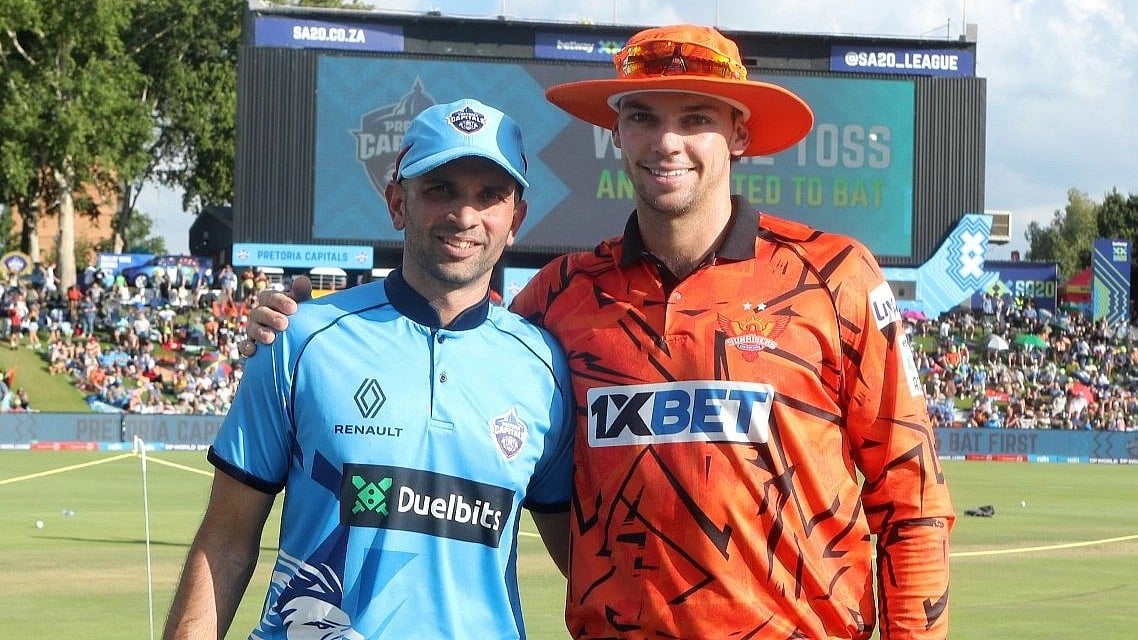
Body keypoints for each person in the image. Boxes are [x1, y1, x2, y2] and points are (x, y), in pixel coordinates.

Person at [246, 25, 954, 639]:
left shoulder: (833, 277)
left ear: (739, 135)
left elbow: (912, 502)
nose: (666, 142)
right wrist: (307, 328)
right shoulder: (560, 296)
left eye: (696, 117)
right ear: (615, 131)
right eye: (643, 116)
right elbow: (440, 341)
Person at [164, 99, 575, 640]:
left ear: (515, 219)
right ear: (397, 203)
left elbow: (589, 566)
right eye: (440, 189)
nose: (464, 216)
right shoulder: (301, 338)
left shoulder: (543, 367)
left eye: (489, 196)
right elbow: (226, 539)